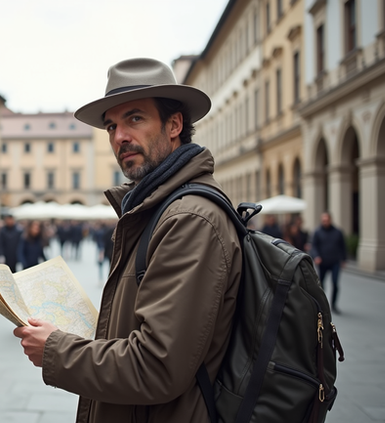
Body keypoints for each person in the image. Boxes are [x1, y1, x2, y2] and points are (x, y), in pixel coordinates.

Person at [12, 58, 242, 423]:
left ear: (174, 125)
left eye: (135, 118)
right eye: (111, 126)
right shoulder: (155, 208)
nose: (119, 137)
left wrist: (57, 349)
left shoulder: (187, 219)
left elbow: (157, 366)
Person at [312, 212, 347, 314]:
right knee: (321, 284)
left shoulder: (338, 232)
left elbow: (342, 246)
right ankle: (322, 305)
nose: (325, 222)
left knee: (335, 283)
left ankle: (334, 305)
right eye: (323, 220)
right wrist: (316, 256)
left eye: (327, 220)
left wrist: (343, 259)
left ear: (330, 220)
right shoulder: (317, 232)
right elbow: (314, 246)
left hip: (335, 261)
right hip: (322, 262)